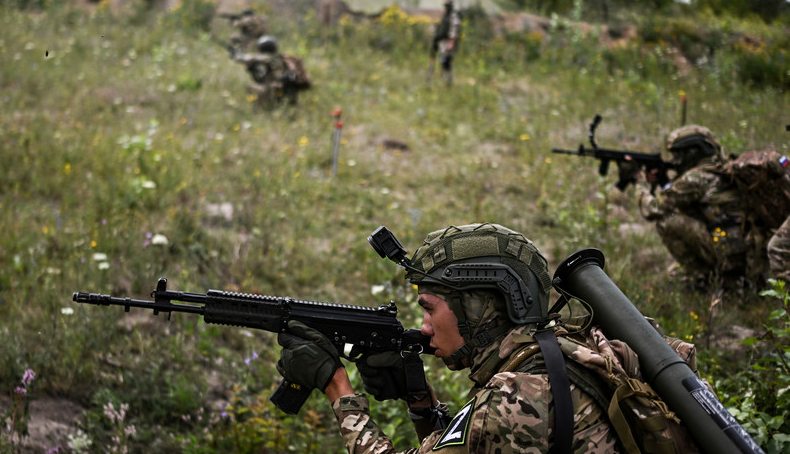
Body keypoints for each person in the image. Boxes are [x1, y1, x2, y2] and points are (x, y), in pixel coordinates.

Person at [275, 223, 622, 453]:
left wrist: (339, 388)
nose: (425, 327)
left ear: (476, 310)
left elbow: (486, 429)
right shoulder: (571, 347)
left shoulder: (511, 402)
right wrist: (422, 404)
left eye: (429, 309)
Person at [632, 124, 790, 287]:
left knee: (666, 221)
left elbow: (653, 209)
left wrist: (641, 184)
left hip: (730, 253)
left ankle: (705, 277)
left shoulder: (695, 179)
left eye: (677, 154)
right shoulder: (724, 166)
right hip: (750, 249)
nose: (674, 160)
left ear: (693, 151)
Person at [230, 35, 311, 108]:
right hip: (284, 88)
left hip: (276, 88)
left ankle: (262, 108)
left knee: (251, 88)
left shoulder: (268, 58)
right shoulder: (280, 58)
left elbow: (247, 58)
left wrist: (237, 55)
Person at [428, 0, 461, 86]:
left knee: (446, 62)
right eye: (445, 4)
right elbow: (442, 27)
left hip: (449, 42)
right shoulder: (445, 15)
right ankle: (444, 80)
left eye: (448, 4)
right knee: (443, 61)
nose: (446, 6)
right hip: (442, 42)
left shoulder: (454, 15)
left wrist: (451, 42)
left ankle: (448, 82)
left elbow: (455, 29)